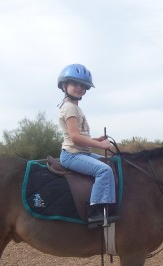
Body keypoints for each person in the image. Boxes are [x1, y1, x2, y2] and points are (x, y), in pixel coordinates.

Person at [57, 63, 119, 227]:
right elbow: (75, 137)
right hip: (72, 155)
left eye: (83, 86)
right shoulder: (69, 108)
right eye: (75, 84)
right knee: (103, 170)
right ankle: (96, 213)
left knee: (111, 163)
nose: (79, 88)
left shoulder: (75, 108)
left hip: (82, 153)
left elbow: (81, 134)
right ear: (65, 85)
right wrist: (101, 146)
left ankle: (111, 203)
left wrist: (96, 140)